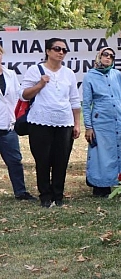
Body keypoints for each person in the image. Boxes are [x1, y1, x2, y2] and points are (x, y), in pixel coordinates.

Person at [21, 38, 81, 208]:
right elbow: (24, 95)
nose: (61, 52)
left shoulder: (69, 73)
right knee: (43, 160)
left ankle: (58, 195)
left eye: (64, 50)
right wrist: (40, 84)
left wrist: (77, 124)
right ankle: (45, 195)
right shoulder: (35, 70)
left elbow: (75, 100)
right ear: (48, 51)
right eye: (57, 49)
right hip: (40, 122)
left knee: (61, 160)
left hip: (64, 122)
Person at [83, 47, 121, 197]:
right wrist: (88, 126)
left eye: (112, 56)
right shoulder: (90, 76)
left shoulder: (117, 75)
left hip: (120, 121)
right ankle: (102, 186)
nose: (108, 58)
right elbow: (87, 103)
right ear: (99, 56)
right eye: (105, 55)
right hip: (101, 121)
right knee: (102, 152)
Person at [0, 46, 36, 201]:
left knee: (15, 161)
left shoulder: (10, 74)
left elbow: (17, 98)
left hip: (8, 126)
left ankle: (20, 192)